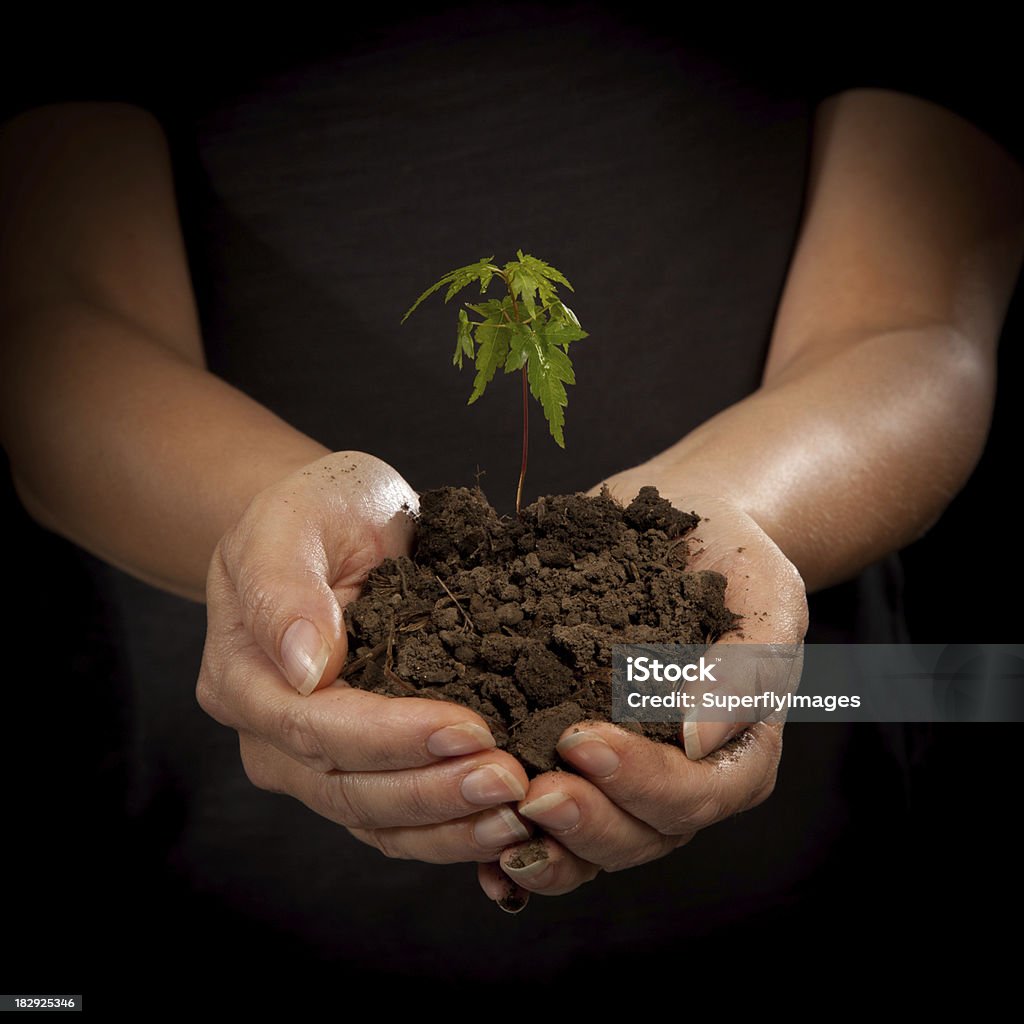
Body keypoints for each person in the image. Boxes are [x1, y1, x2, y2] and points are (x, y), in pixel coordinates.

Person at [2, 9, 1021, 993]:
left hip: (819, 817)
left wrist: (724, 508)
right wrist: (265, 524)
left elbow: (912, 327)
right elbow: (52, 332)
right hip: (233, 863)